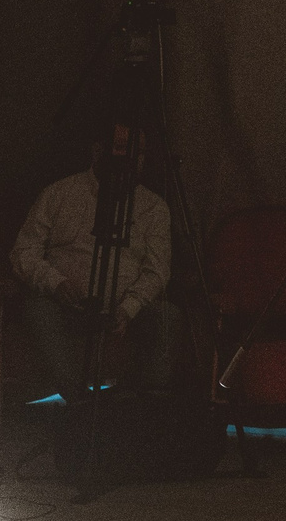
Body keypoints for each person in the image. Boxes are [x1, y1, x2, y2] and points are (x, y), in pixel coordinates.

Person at [9, 123, 178, 400]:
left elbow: (157, 270)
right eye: (122, 148)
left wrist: (129, 307)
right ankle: (79, 401)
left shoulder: (153, 207)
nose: (130, 159)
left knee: (167, 317)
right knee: (38, 310)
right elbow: (23, 252)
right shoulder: (58, 194)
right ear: (99, 151)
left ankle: (141, 404)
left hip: (122, 310)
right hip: (67, 306)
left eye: (138, 152)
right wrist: (56, 283)